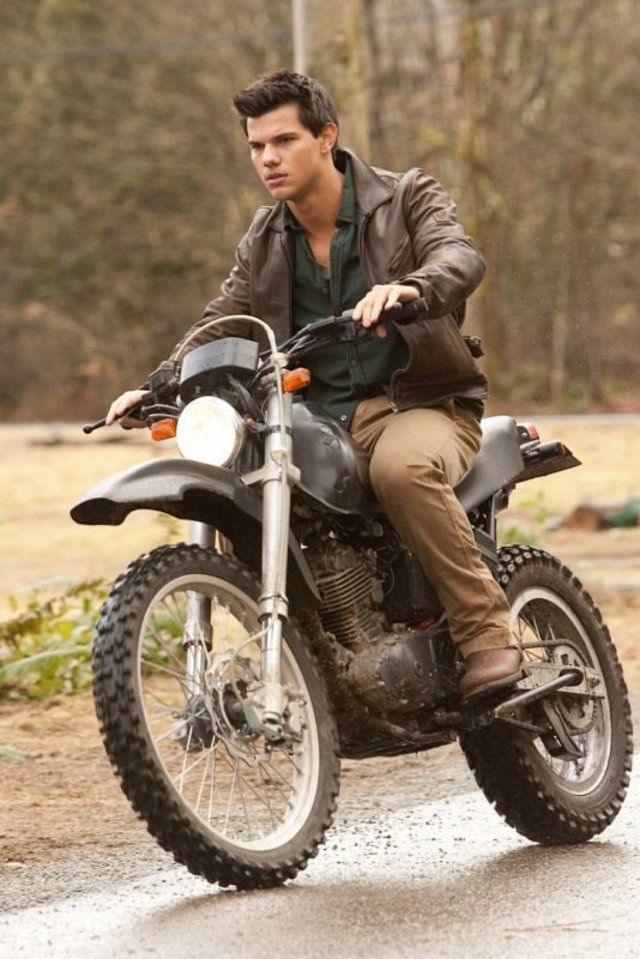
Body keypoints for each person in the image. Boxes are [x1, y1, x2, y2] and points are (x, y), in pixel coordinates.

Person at [107, 70, 523, 701]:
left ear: (327, 136)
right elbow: (223, 319)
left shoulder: (405, 197)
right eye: (256, 146)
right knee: (242, 485)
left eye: (284, 141)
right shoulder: (265, 238)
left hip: (417, 403)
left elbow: (459, 256)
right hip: (315, 421)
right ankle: (306, 665)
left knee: (404, 470)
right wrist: (161, 383)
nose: (268, 158)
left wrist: (411, 288)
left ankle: (486, 635)